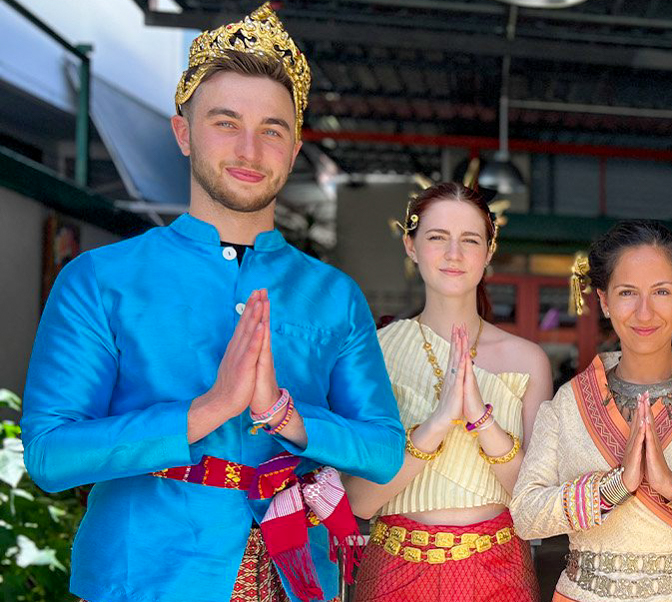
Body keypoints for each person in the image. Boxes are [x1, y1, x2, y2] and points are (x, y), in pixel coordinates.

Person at [20, 4, 405, 601]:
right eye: (225, 122)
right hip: (145, 578)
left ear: (296, 146)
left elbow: (382, 449)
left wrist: (285, 414)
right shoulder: (99, 279)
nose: (250, 150)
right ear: (183, 132)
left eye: (273, 129)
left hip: (294, 580)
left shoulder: (335, 295)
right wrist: (207, 409)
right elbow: (49, 453)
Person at [510, 220, 672, 601]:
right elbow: (525, 515)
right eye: (627, 292)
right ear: (604, 300)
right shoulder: (569, 403)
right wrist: (613, 487)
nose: (644, 312)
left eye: (661, 292)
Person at [345, 182, 551, 601]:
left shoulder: (528, 361)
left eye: (470, 240)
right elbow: (358, 503)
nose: (453, 254)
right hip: (394, 574)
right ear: (410, 245)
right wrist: (435, 426)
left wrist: (481, 420)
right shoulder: (376, 353)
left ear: (490, 252)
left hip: (499, 575)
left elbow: (538, 508)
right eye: (437, 237)